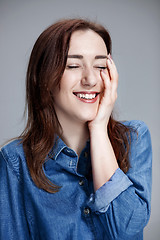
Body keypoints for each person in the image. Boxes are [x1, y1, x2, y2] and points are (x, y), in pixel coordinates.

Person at [0, 18, 152, 240]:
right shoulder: (15, 161)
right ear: (45, 78)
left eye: (100, 66)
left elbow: (127, 230)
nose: (90, 79)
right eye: (73, 65)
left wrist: (99, 129)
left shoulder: (134, 138)